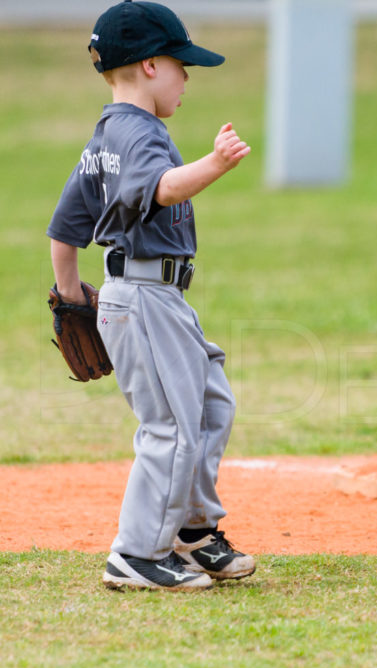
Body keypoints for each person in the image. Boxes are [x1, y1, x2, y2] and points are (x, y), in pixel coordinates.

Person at [47, 0, 256, 590]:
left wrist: (74, 300)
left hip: (148, 298)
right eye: (179, 64)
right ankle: (137, 553)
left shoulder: (104, 137)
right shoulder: (141, 135)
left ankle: (190, 529)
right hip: (144, 295)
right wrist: (213, 164)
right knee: (170, 424)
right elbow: (160, 188)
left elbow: (65, 231)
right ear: (147, 66)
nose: (186, 77)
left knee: (211, 404)